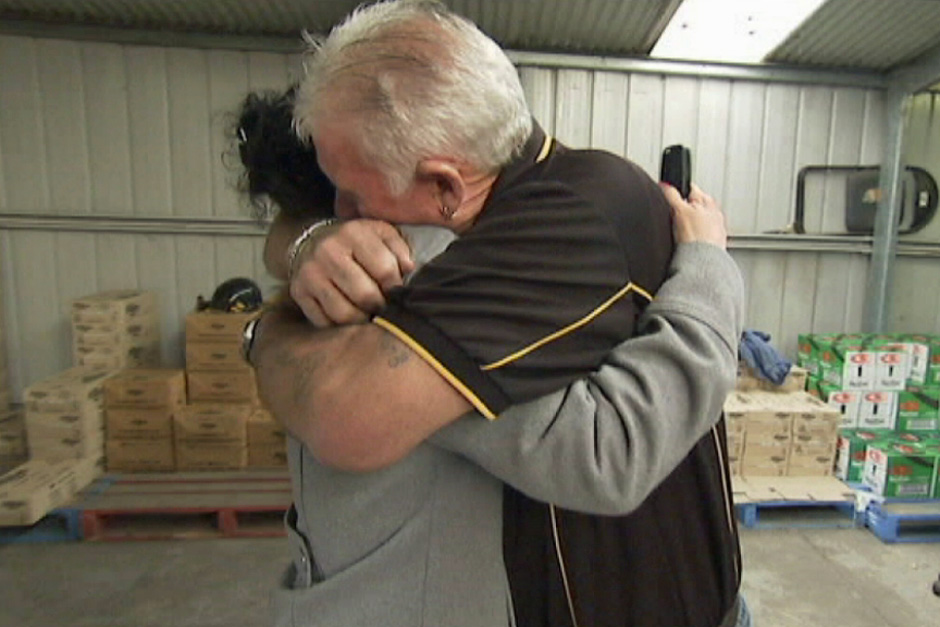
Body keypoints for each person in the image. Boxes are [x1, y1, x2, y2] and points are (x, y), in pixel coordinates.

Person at [242, 3, 747, 626]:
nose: (345, 213)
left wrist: (264, 331)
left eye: (350, 192)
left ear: (445, 186)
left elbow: (605, 453)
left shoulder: (547, 229)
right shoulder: (398, 237)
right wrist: (303, 242)